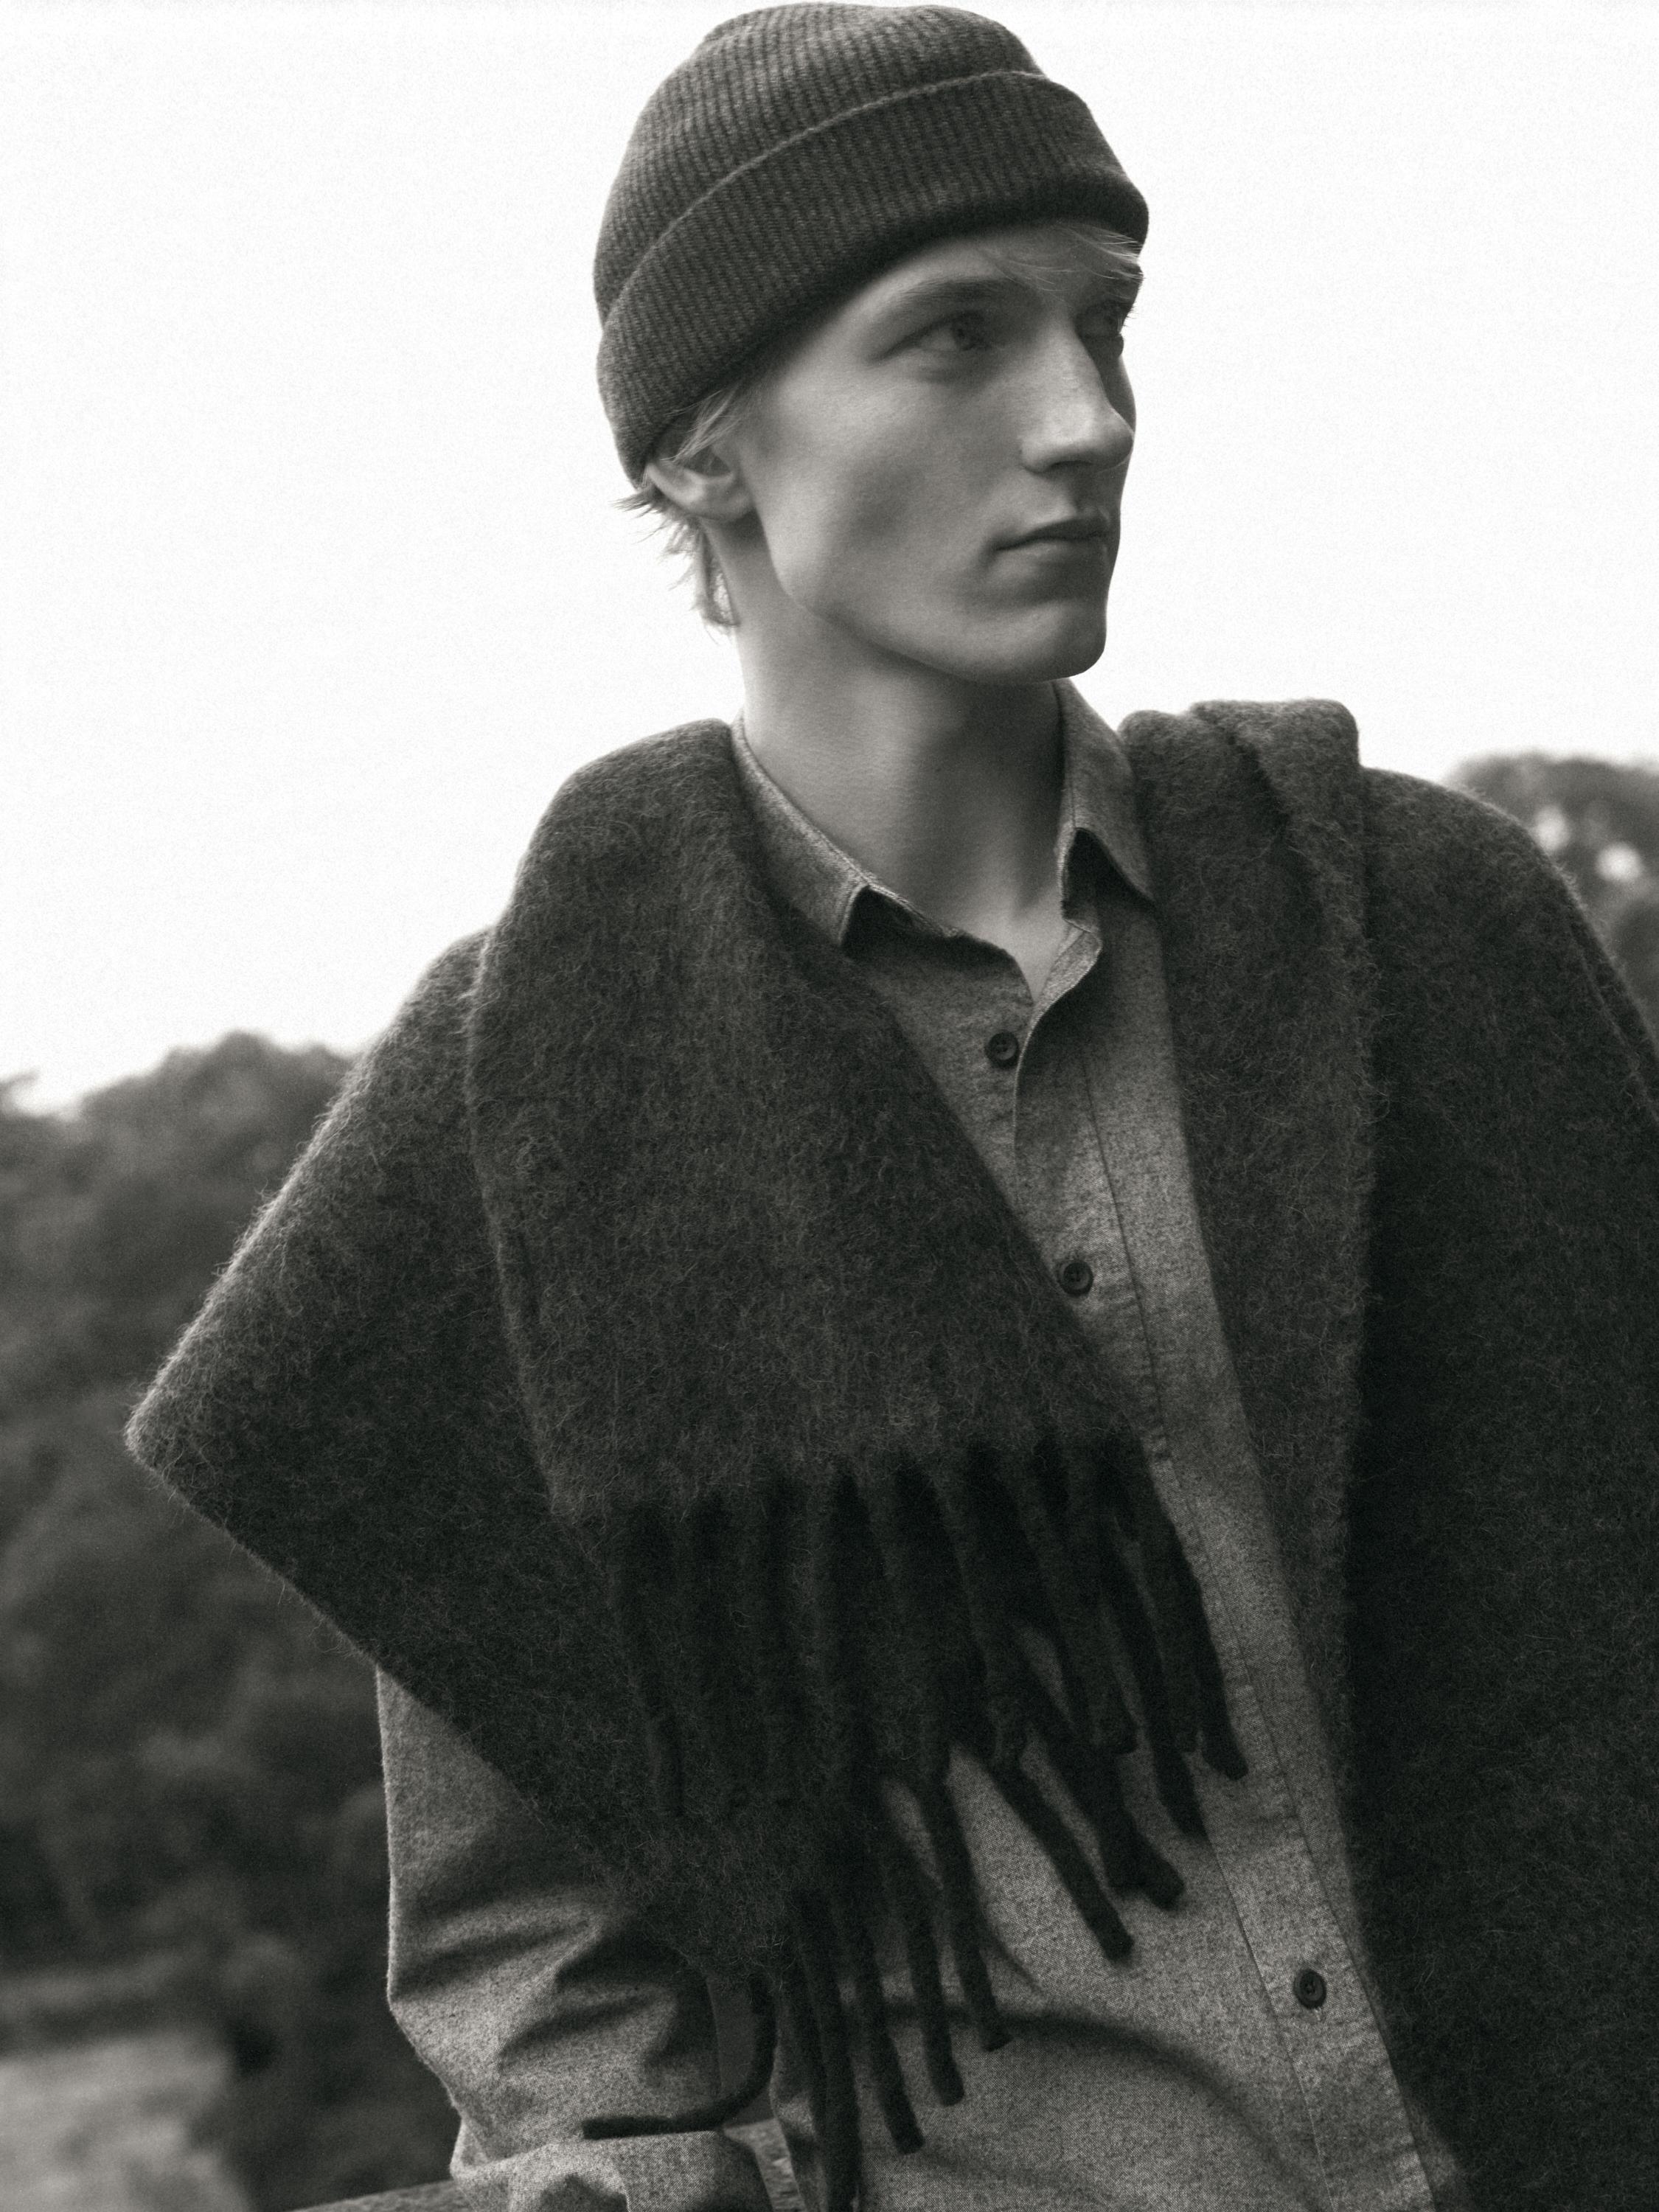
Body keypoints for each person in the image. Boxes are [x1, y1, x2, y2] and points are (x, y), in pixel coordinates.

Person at [126, 7, 1659, 2211]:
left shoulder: (1414, 926)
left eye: (1103, 323)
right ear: (704, 454)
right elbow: (538, 1951)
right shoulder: (521, 1107)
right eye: (956, 337)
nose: (1085, 416)